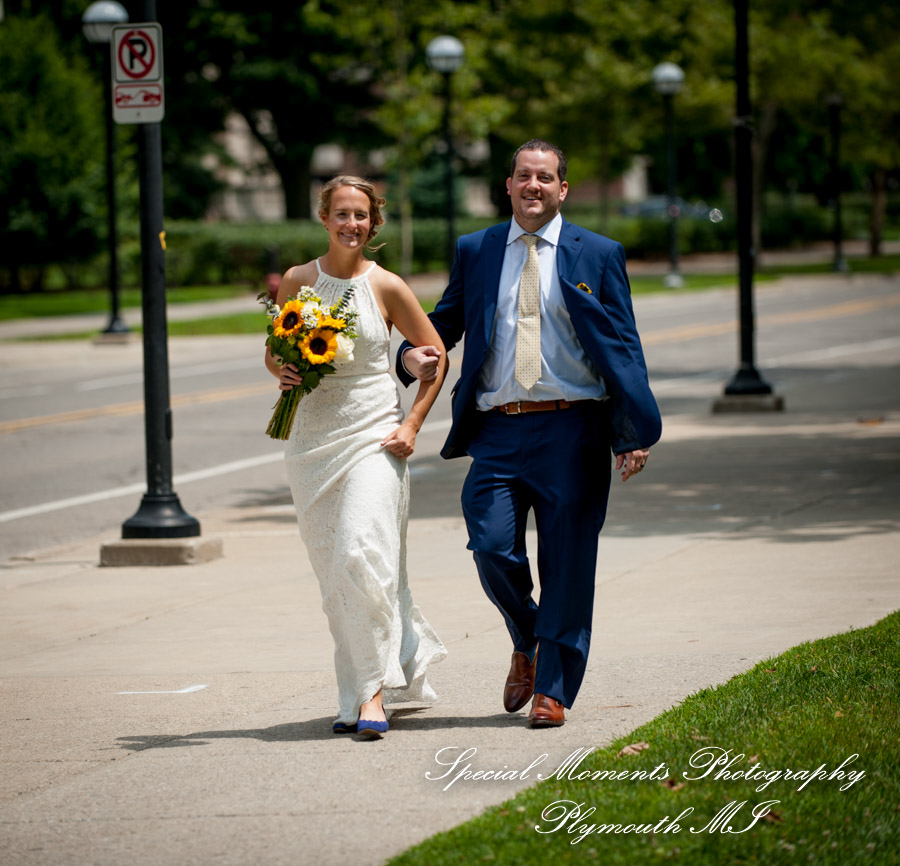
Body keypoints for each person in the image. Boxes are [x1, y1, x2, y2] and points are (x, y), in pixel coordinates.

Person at [397, 140, 661, 728]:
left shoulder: (598, 252)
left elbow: (624, 349)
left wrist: (631, 430)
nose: (534, 186)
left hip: (576, 428)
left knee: (568, 562)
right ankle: (530, 636)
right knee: (490, 545)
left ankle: (554, 690)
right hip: (498, 429)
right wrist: (411, 356)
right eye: (524, 176)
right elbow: (442, 325)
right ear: (509, 185)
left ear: (562, 189)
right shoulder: (478, 249)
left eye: (545, 177)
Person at [266, 175, 448, 738]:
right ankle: (358, 691)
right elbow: (274, 350)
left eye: (361, 216)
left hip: (374, 437)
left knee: (359, 553)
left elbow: (436, 355)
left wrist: (412, 424)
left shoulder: (387, 286)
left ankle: (371, 697)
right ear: (324, 218)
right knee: (336, 577)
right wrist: (281, 368)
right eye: (341, 214)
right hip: (311, 446)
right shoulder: (298, 280)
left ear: (374, 223)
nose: (351, 224)